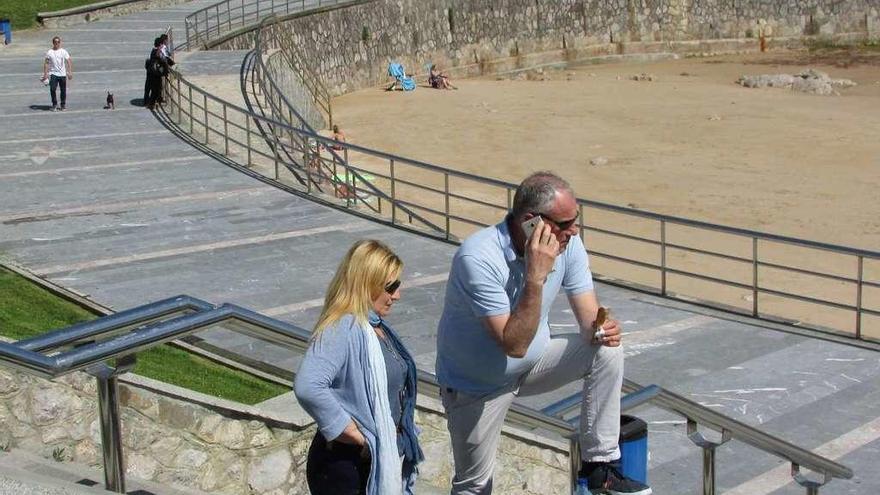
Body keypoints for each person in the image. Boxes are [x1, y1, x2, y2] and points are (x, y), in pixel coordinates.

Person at [435, 171, 652, 495]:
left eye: (575, 221)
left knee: (606, 351)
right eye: (564, 224)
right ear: (531, 222)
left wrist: (601, 328)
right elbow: (514, 344)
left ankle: (600, 465)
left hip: (533, 365)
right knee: (474, 485)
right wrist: (535, 278)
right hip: (477, 386)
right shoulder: (478, 257)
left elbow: (587, 317)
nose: (573, 231)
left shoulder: (570, 245)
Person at [295, 240, 424, 495]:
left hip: (366, 461)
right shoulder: (343, 326)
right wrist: (356, 435)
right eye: (391, 287)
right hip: (344, 465)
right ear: (368, 284)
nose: (397, 295)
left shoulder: (372, 326)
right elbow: (308, 385)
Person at [41, 36, 72, 111]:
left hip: (62, 74)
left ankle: (63, 105)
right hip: (53, 73)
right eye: (55, 42)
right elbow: (46, 63)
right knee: (52, 89)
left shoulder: (63, 51)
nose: (57, 43)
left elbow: (69, 61)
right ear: (53, 43)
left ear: (60, 43)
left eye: (58, 42)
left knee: (63, 90)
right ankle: (54, 104)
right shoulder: (50, 52)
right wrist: (45, 74)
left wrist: (69, 72)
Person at [145, 37, 172, 109]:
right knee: (155, 89)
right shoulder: (157, 51)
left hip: (153, 72)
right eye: (162, 44)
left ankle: (153, 102)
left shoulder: (154, 50)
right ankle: (151, 104)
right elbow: (161, 59)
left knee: (156, 88)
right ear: (160, 44)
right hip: (155, 73)